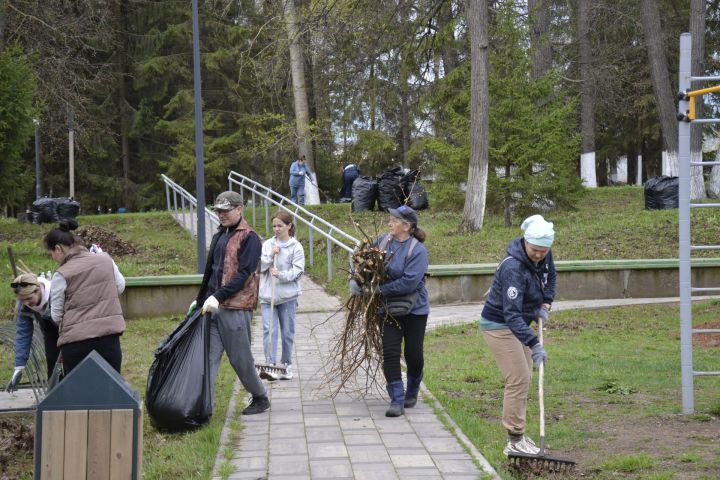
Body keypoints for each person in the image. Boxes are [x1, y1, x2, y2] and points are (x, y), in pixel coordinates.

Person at [480, 214, 556, 456]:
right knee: (519, 378)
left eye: (543, 251)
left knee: (525, 378)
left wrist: (545, 304)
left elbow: (550, 277)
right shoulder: (513, 267)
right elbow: (510, 314)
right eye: (535, 250)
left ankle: (519, 435)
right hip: (499, 325)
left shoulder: (544, 252)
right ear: (525, 242)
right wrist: (534, 343)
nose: (539, 255)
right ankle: (514, 439)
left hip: (519, 323)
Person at [191, 191, 270, 415]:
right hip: (214, 307)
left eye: (226, 210)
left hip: (236, 308)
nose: (222, 215)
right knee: (208, 360)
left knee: (239, 359)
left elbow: (244, 274)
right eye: (218, 211)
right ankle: (203, 407)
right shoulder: (220, 235)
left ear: (239, 209)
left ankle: (260, 397)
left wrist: (218, 296)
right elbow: (211, 270)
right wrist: (200, 299)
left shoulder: (250, 237)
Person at [351, 204, 429, 417]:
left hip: (414, 310)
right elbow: (361, 258)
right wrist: (357, 278)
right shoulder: (383, 241)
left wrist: (376, 290)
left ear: (407, 226)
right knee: (390, 352)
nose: (389, 223)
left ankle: (412, 389)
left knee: (413, 354)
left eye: (394, 220)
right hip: (388, 309)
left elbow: (409, 284)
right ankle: (397, 398)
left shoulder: (418, 250)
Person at [45, 220, 126, 375]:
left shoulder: (61, 274)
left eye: (51, 254)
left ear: (58, 248)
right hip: (109, 338)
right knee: (111, 391)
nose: (53, 259)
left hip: (76, 344)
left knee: (82, 394)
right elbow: (120, 286)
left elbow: (56, 316)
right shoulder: (105, 259)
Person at [258, 211, 305, 381]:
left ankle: (286, 366)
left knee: (287, 332)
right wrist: (271, 255)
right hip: (267, 297)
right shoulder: (267, 245)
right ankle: (270, 365)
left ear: (289, 226)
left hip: (287, 297)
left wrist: (282, 275)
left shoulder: (296, 247)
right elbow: (259, 267)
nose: (276, 229)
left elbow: (298, 272)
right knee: (268, 331)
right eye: (274, 226)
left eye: (280, 226)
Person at [6, 272, 60, 392]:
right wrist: (18, 368)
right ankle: (55, 396)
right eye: (22, 300)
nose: (26, 303)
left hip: (69, 328)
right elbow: (23, 335)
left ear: (38, 290)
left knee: (70, 362)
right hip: (49, 331)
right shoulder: (24, 305)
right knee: (53, 364)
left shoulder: (56, 294)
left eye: (29, 299)